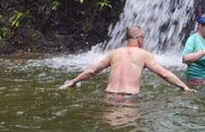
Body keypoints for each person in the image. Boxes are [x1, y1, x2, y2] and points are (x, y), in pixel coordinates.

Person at [59, 25, 194, 94]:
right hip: (129, 98)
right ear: (140, 39)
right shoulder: (143, 54)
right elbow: (164, 73)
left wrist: (73, 81)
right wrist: (184, 86)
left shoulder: (114, 53)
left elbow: (91, 71)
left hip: (110, 95)